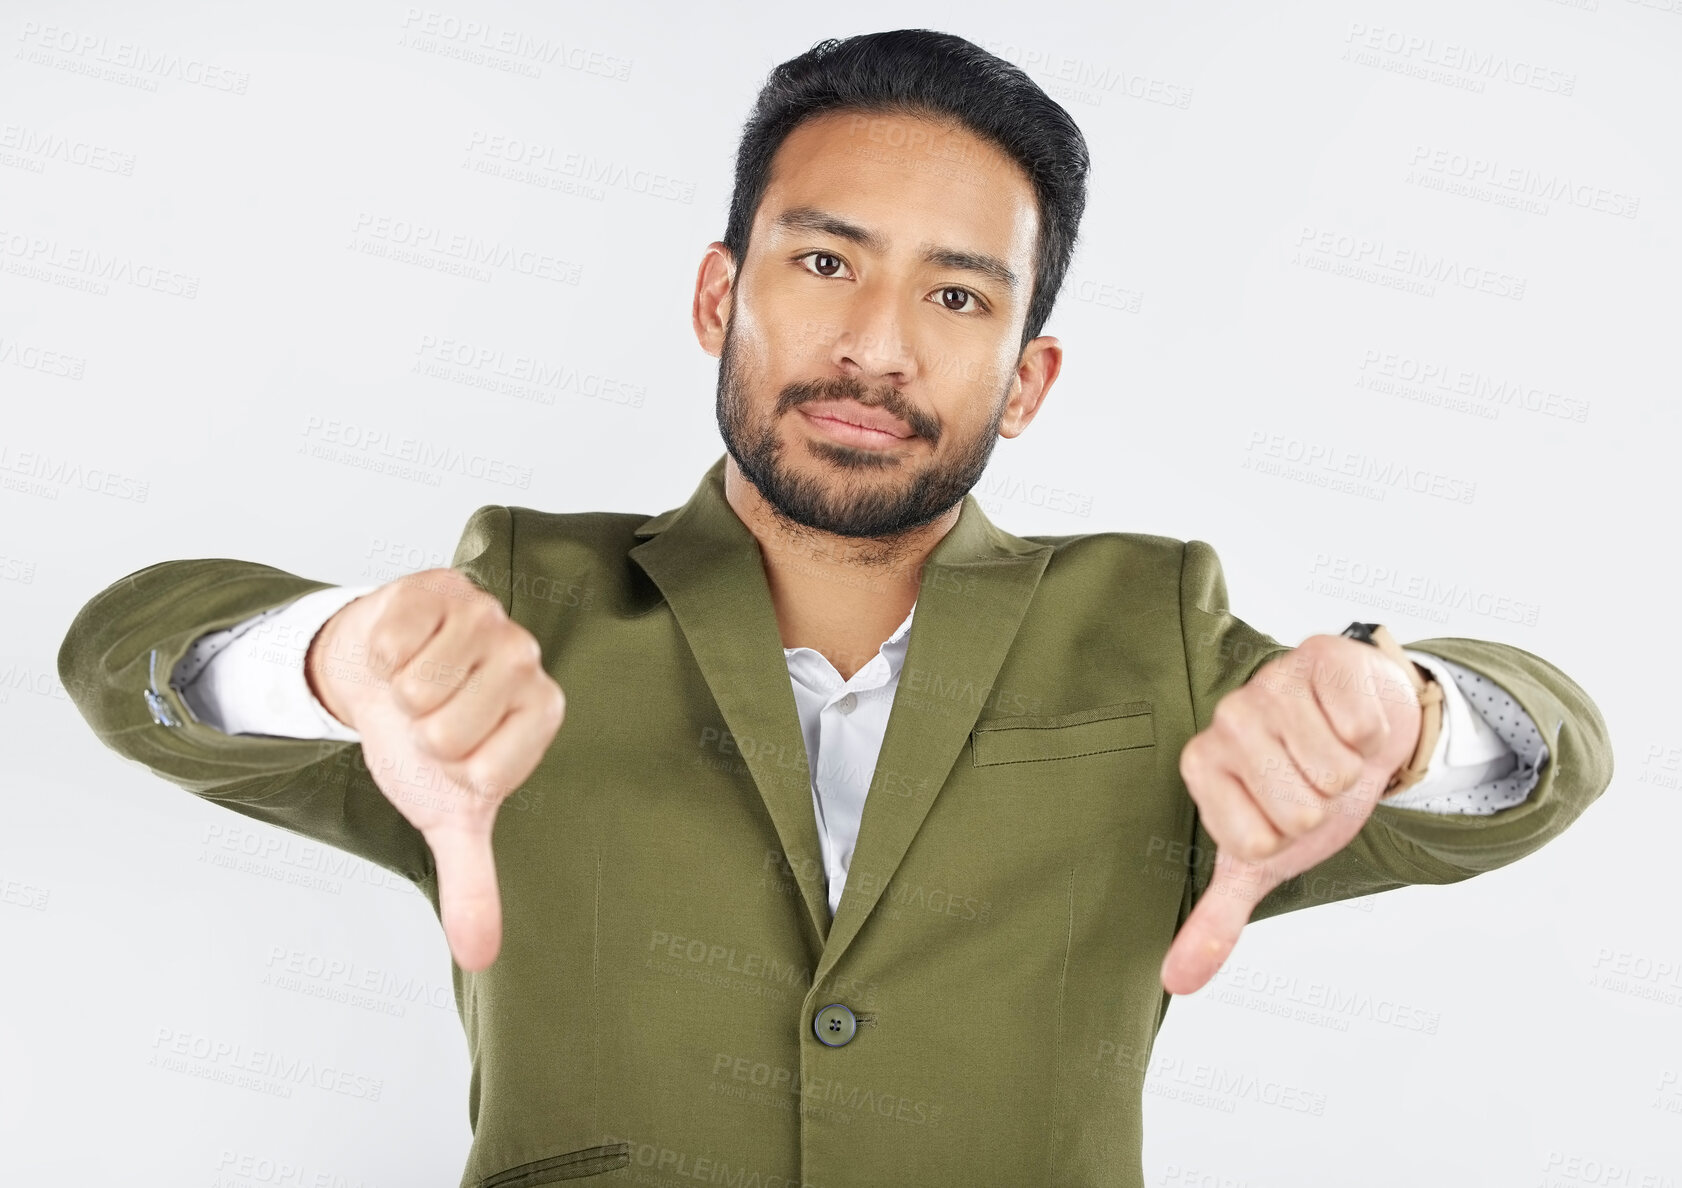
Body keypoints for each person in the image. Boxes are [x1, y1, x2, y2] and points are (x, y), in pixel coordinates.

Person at [58, 28, 1613, 1188]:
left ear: (1029, 379)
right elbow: (128, 652)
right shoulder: (518, 617)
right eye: (823, 260)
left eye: (956, 297)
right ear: (718, 298)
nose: (876, 345)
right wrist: (329, 661)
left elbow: (1541, 763)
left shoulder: (1153, 633)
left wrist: (1404, 716)